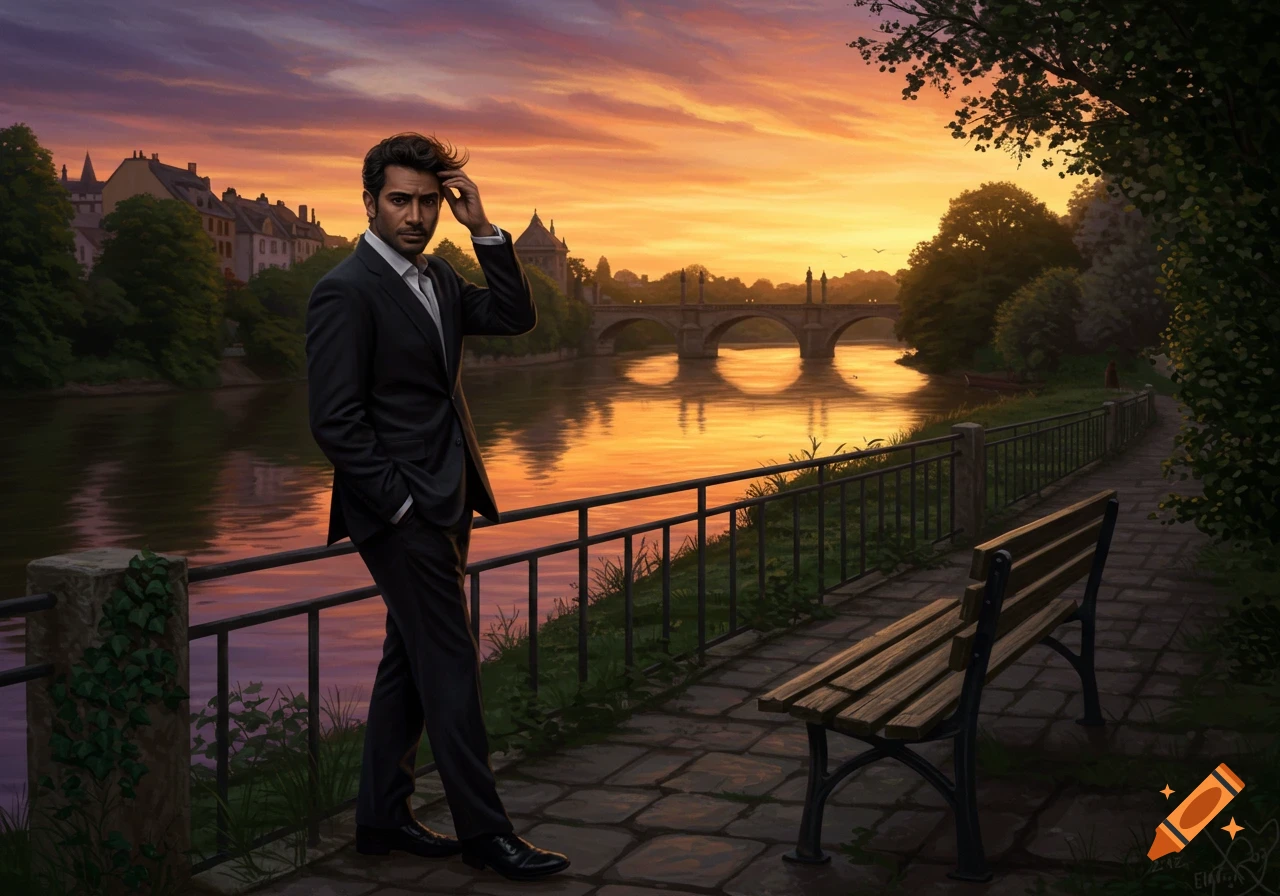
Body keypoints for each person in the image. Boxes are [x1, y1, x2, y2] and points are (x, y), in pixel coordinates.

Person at [305, 132, 569, 882]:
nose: (416, 215)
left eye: (428, 201)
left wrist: (484, 228)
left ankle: (381, 817)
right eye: (400, 200)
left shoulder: (441, 279)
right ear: (369, 203)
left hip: (449, 496)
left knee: (407, 659)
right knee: (450, 664)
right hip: (401, 513)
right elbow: (335, 420)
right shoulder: (344, 289)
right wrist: (399, 509)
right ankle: (487, 835)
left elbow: (517, 317)